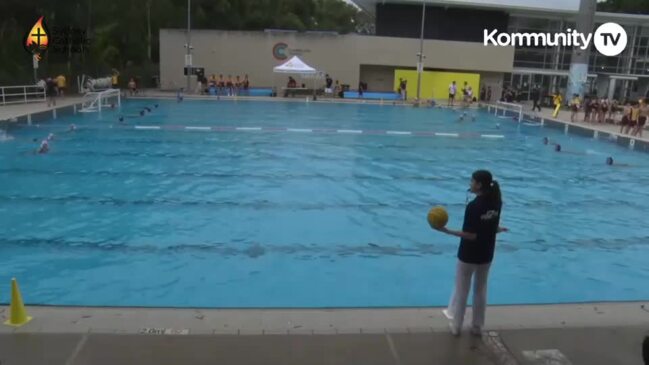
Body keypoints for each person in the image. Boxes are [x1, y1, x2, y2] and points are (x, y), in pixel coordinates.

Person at [435, 170, 507, 336]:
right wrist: (498, 229)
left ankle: (457, 326)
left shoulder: (474, 206)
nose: (470, 184)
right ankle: (477, 327)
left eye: (472, 181)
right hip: (487, 254)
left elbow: (471, 234)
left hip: (468, 255)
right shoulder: (497, 203)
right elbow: (488, 228)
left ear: (479, 185)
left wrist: (446, 231)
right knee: (480, 290)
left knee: (462, 290)